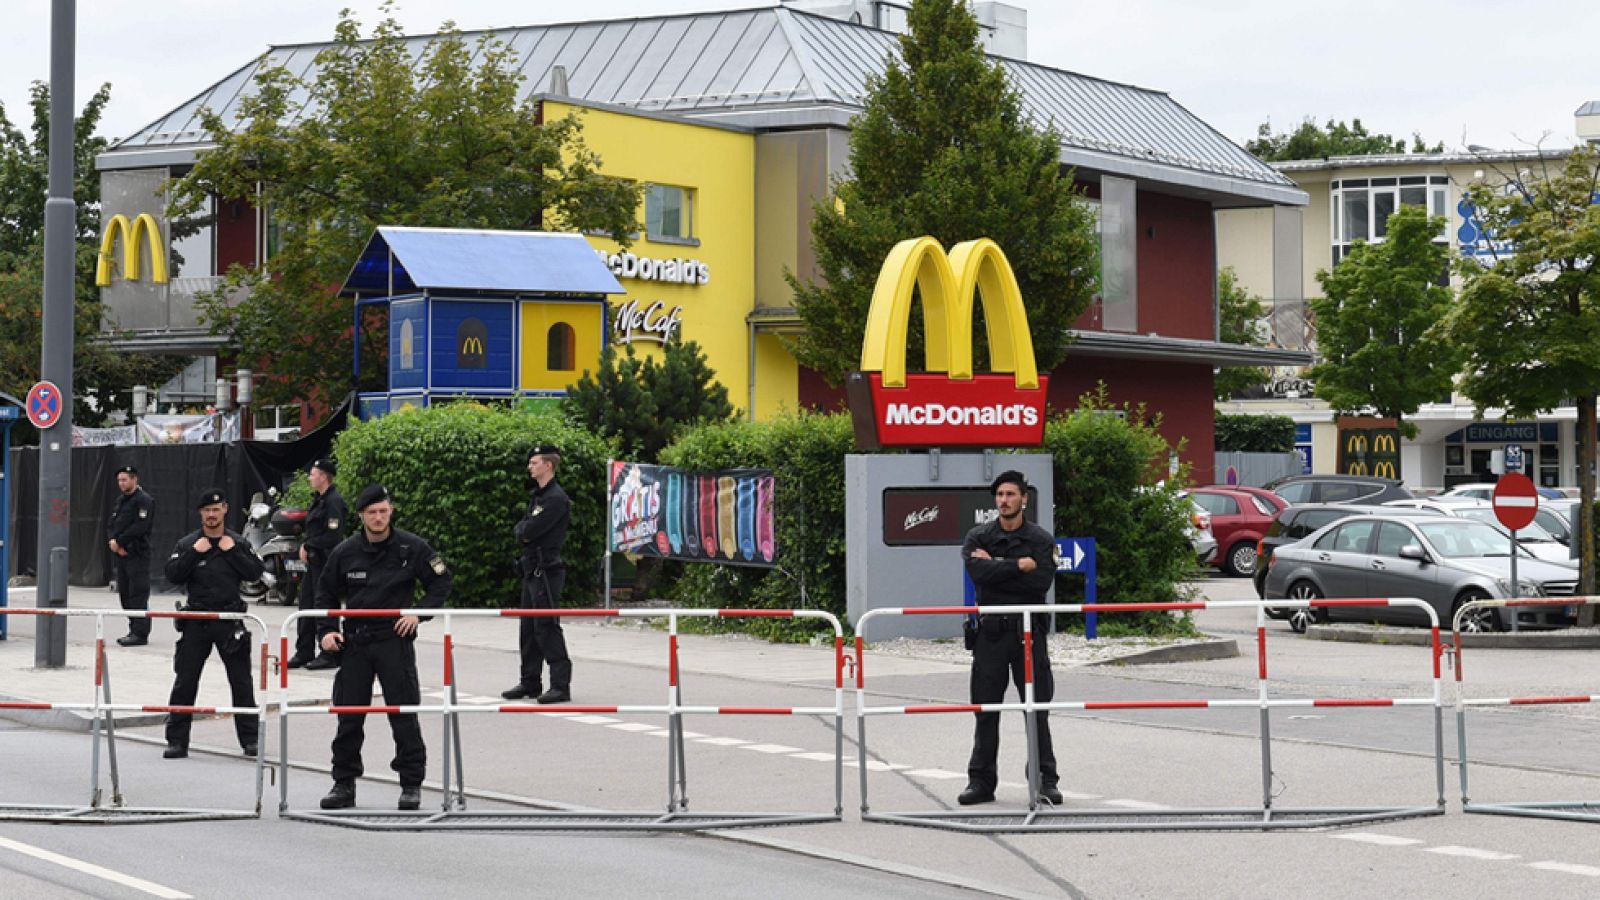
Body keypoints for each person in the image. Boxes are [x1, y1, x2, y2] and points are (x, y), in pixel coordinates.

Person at [317, 484, 451, 811]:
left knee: (403, 715)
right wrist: (327, 631)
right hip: (356, 643)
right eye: (372, 512)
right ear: (362, 515)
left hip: (394, 640)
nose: (378, 518)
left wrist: (418, 613)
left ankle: (411, 784)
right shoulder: (345, 552)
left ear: (391, 511)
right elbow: (324, 594)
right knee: (349, 717)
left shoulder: (412, 546)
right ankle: (343, 784)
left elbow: (441, 582)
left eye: (384, 511)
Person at [958, 470, 1063, 807]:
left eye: (1010, 495)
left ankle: (1045, 781)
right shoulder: (979, 536)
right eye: (1000, 495)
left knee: (1037, 709)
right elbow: (979, 575)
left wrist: (1000, 567)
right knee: (986, 709)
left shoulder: (1042, 540)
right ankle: (981, 782)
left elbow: (1038, 585)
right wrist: (1019, 565)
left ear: (1024, 499)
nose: (1004, 500)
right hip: (990, 635)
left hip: (1028, 635)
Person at [162, 489, 263, 759]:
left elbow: (255, 573)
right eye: (206, 510)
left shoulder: (237, 543)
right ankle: (176, 741)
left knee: (241, 682)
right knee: (185, 681)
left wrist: (233, 553)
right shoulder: (188, 544)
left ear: (225, 509)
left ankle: (251, 740)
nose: (211, 514)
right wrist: (194, 553)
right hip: (197, 619)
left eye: (216, 509)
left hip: (229, 620)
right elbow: (172, 575)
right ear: (200, 514)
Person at [502, 444, 573, 704]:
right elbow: (521, 528)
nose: (530, 467)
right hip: (531, 569)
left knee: (546, 626)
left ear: (548, 465)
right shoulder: (539, 496)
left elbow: (528, 531)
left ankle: (560, 685)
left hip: (547, 570)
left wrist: (524, 531)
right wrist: (523, 530)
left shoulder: (556, 498)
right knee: (528, 628)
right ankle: (530, 681)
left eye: (534, 462)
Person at [291, 458, 347, 670]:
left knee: (325, 607)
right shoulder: (319, 500)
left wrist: (308, 545)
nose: (310, 477)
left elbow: (333, 535)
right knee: (306, 606)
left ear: (324, 476)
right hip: (314, 563)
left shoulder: (334, 502)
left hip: (326, 563)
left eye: (313, 474)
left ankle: (329, 653)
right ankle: (304, 651)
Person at [108, 464, 155, 646]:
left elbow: (140, 527)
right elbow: (112, 523)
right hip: (121, 554)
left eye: (124, 479)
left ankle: (140, 633)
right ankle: (132, 628)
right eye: (119, 480)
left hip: (137, 553)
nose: (121, 483)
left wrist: (120, 542)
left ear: (134, 479)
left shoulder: (144, 500)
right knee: (126, 594)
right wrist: (113, 542)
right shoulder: (121, 501)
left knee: (138, 594)